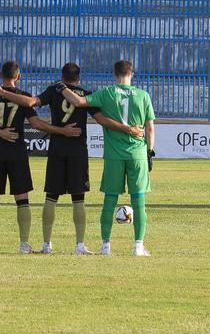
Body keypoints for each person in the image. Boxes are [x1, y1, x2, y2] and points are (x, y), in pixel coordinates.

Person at [0, 61, 81, 254]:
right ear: (19, 76)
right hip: (17, 152)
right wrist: (61, 131)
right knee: (22, 198)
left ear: (0, 74)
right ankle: (24, 245)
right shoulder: (23, 97)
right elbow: (37, 123)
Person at [61, 59, 156, 257]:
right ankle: (138, 246)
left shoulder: (106, 93)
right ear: (132, 74)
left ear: (114, 74)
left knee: (110, 200)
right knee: (138, 201)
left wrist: (61, 87)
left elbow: (78, 102)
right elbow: (150, 128)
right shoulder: (143, 95)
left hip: (114, 155)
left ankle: (106, 246)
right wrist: (150, 152)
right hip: (137, 154)